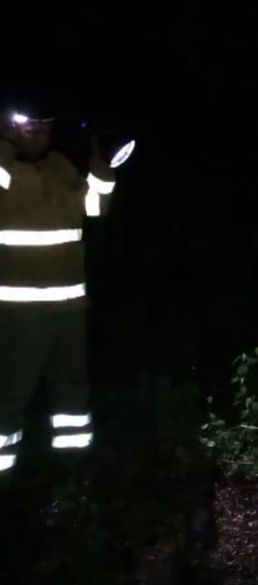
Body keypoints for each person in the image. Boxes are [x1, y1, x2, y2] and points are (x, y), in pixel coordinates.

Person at [0, 99, 117, 479]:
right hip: (17, 313)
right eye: (28, 127)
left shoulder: (60, 165)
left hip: (69, 309)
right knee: (10, 393)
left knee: (71, 393)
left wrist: (103, 174)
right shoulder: (3, 167)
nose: (38, 135)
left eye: (45, 128)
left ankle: (73, 473)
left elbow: (93, 210)